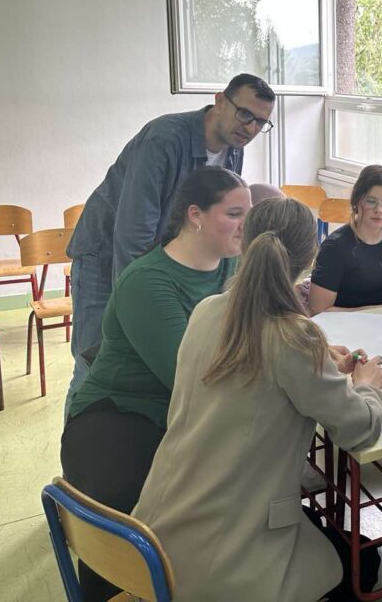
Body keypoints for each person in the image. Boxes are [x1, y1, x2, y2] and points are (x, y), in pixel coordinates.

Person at [133, 197, 382, 602]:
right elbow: (358, 428)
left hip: (153, 537)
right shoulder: (295, 337)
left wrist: (318, 358)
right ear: (310, 260)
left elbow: (256, 366)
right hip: (223, 560)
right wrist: (367, 385)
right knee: (364, 562)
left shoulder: (207, 311)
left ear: (244, 241)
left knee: (323, 536)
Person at [60, 167, 250, 601]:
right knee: (126, 526)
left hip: (185, 416)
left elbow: (261, 332)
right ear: (195, 215)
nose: (245, 225)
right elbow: (190, 377)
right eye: (234, 213)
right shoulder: (147, 281)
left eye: (248, 213)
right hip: (119, 416)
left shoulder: (235, 267)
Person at [65, 73, 275, 412]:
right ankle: (81, 438)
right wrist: (136, 301)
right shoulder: (164, 139)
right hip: (105, 257)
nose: (251, 128)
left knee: (156, 367)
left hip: (158, 264)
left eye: (261, 122)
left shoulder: (233, 151)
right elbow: (133, 232)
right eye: (245, 114)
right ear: (220, 101)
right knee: (95, 359)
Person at [307, 165, 382, 314]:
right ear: (356, 201)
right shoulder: (334, 247)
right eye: (371, 201)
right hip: (341, 326)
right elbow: (318, 310)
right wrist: (374, 311)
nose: (379, 210)